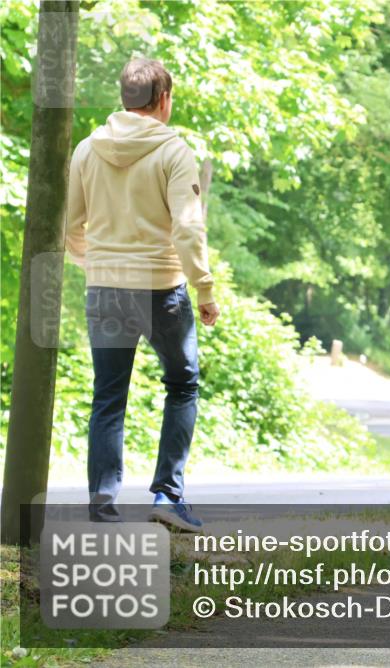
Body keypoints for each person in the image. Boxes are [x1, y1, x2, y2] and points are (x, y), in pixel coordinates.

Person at [65, 58, 219, 531]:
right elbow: (188, 230)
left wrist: (99, 264)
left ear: (125, 98)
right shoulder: (174, 152)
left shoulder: (87, 150)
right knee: (182, 382)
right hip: (160, 289)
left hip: (105, 289)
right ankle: (167, 496)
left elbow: (70, 227)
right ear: (164, 100)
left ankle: (103, 504)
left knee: (108, 396)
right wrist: (205, 289)